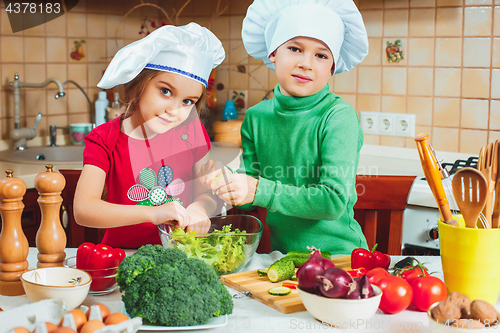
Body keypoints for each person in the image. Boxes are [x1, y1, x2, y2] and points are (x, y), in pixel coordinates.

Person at [201, 0, 369, 254]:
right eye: (294, 48)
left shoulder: (338, 117)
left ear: (332, 67)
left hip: (342, 258)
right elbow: (249, 199)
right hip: (284, 259)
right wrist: (225, 184)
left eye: (321, 55)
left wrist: (257, 189)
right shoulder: (257, 117)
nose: (306, 63)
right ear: (272, 53)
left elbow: (332, 202)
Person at [74, 23, 225, 248]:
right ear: (140, 82)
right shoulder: (105, 139)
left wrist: (200, 208)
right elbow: (83, 210)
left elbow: (206, 193)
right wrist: (153, 213)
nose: (174, 110)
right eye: (165, 91)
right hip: (121, 257)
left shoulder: (193, 131)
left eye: (187, 101)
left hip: (179, 254)